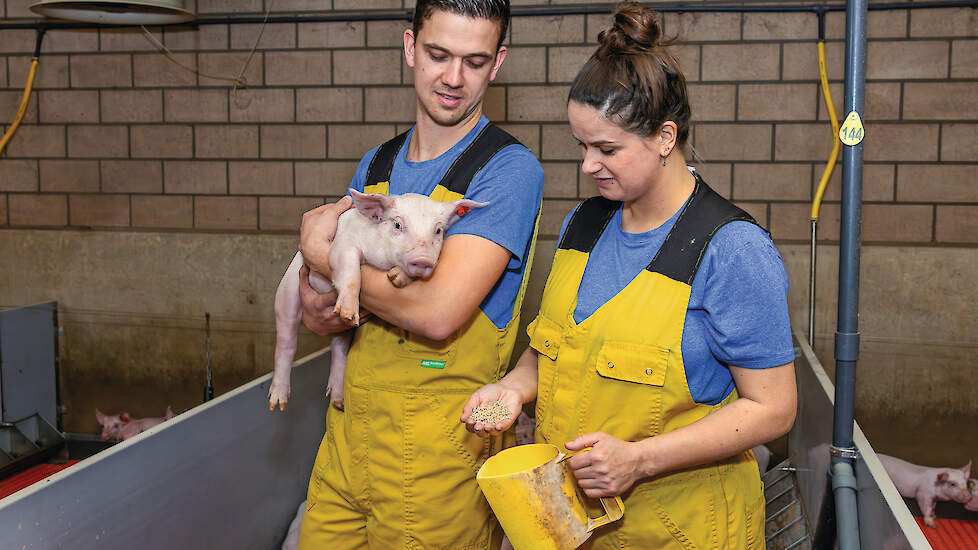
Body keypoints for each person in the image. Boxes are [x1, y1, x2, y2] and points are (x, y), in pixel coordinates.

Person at [461, 2, 797, 548]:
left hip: (681, 530)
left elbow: (773, 408)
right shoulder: (584, 223)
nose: (587, 165)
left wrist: (640, 460)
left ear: (666, 137)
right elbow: (551, 352)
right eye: (581, 145)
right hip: (575, 524)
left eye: (607, 148)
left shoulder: (729, 248)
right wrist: (511, 390)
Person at [294, 0, 544, 547]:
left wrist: (323, 259)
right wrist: (321, 302)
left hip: (435, 458)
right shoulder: (375, 168)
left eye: (475, 62)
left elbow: (437, 312)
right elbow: (330, 315)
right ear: (409, 47)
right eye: (438, 54)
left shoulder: (505, 171)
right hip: (347, 439)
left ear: (498, 62)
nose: (454, 78)